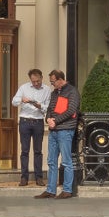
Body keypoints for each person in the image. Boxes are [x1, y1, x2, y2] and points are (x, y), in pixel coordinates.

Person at [41, 67, 78, 199]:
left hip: (66, 130)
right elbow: (50, 108)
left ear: (61, 80)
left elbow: (71, 110)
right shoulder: (54, 93)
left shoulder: (72, 91)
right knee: (51, 161)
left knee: (66, 161)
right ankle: (50, 190)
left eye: (53, 82)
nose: (52, 84)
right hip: (54, 130)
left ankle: (67, 190)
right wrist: (48, 119)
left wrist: (55, 120)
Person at [10, 67, 49, 187]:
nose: (36, 83)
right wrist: (22, 99)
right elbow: (14, 102)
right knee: (24, 151)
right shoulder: (24, 87)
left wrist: (39, 106)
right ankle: (24, 178)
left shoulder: (47, 89)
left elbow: (48, 107)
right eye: (33, 81)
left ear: (41, 78)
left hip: (38, 121)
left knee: (38, 151)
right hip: (25, 121)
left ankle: (39, 178)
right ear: (30, 80)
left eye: (38, 81)